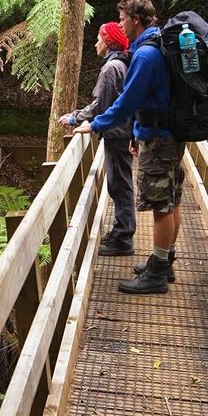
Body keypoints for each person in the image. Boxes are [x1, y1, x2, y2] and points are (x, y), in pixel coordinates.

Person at [74, 0, 181, 294]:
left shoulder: (146, 55)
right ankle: (165, 262)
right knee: (172, 200)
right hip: (167, 133)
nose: (120, 25)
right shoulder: (155, 45)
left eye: (122, 19)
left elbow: (128, 100)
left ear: (135, 19)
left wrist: (95, 124)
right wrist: (135, 129)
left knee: (161, 205)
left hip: (159, 139)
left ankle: (157, 274)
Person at [59, 22, 134, 256]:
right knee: (119, 182)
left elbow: (100, 105)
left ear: (108, 41)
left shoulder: (111, 69)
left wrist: (74, 118)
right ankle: (121, 231)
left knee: (119, 184)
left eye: (99, 38)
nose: (95, 43)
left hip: (117, 133)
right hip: (122, 131)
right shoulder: (121, 64)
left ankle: (123, 238)